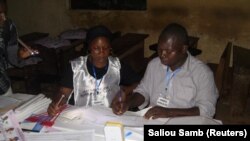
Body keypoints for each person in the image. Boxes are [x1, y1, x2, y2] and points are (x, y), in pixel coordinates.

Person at [112, 23, 219, 119]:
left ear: (183, 49)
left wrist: (169, 112)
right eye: (159, 49)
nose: (162, 54)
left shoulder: (202, 73)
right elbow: (143, 91)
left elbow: (207, 109)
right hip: (154, 120)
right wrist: (127, 103)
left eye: (168, 51)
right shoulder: (154, 65)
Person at [47, 25, 140, 116]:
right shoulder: (75, 67)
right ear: (89, 48)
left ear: (110, 48)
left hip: (109, 115)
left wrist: (123, 91)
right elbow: (63, 93)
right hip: (81, 117)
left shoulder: (117, 66)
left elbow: (139, 84)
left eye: (105, 48)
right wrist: (56, 103)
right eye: (96, 48)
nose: (102, 52)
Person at [0, 0, 38, 95]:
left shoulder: (8, 26)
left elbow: (10, 59)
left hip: (3, 86)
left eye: (4, 13)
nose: (3, 18)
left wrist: (20, 56)